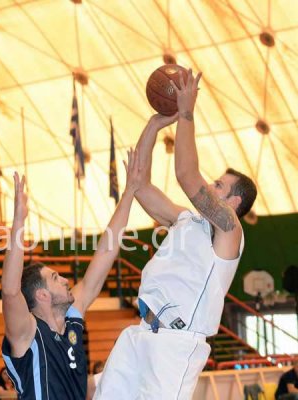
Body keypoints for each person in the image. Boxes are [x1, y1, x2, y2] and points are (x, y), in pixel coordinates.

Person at [95, 70, 258, 400]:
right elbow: (139, 185)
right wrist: (154, 125)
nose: (209, 185)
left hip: (175, 345)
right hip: (141, 332)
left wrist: (186, 112)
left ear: (233, 203)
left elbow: (186, 174)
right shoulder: (185, 219)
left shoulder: (229, 231)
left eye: (218, 185)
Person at [1, 160, 140, 399]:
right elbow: (10, 290)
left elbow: (106, 252)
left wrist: (129, 193)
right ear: (42, 294)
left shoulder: (72, 321)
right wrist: (19, 222)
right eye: (55, 278)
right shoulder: (28, 333)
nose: (66, 280)